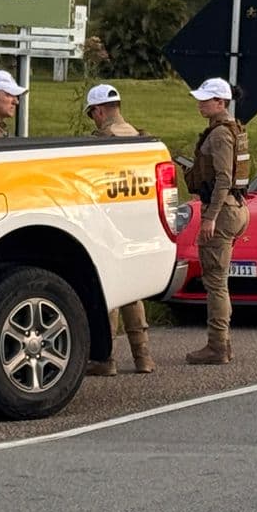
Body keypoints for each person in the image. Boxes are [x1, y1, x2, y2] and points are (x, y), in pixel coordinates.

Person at [83, 84, 155, 377]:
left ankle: (105, 359)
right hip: (136, 222)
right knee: (133, 292)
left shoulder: (102, 141)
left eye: (92, 115)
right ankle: (144, 358)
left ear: (99, 111)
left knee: (108, 291)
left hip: (109, 223)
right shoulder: (139, 137)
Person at [183, 77, 250, 365]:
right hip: (235, 208)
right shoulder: (232, 129)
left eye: (205, 99)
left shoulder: (221, 134)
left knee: (215, 281)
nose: (200, 103)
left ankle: (217, 346)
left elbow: (224, 178)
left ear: (220, 102)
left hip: (222, 212)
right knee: (218, 279)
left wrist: (209, 217)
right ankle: (222, 343)